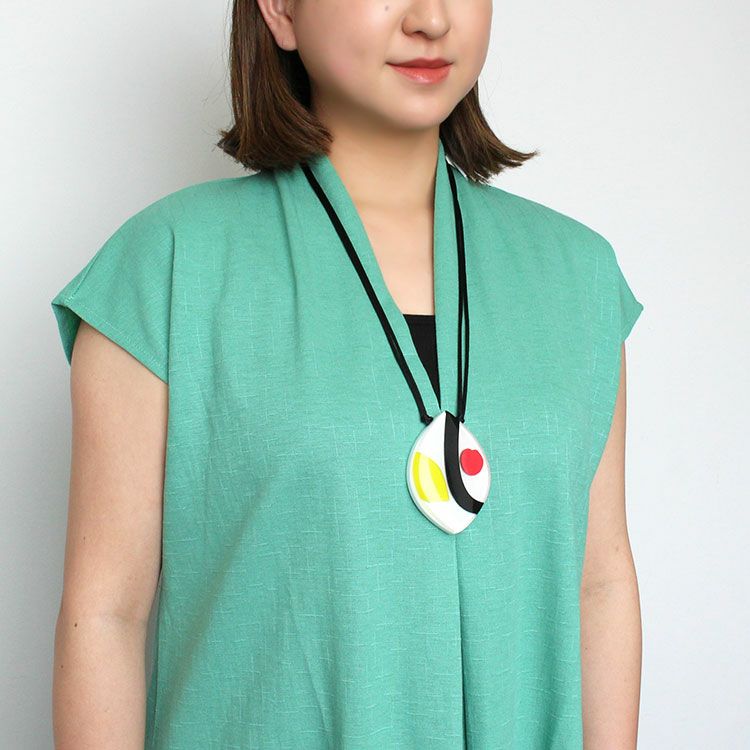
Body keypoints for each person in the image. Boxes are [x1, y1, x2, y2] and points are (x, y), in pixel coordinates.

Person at [50, 1, 644, 748]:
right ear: (280, 9)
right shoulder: (168, 267)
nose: (431, 19)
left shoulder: (577, 278)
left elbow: (599, 583)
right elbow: (106, 614)